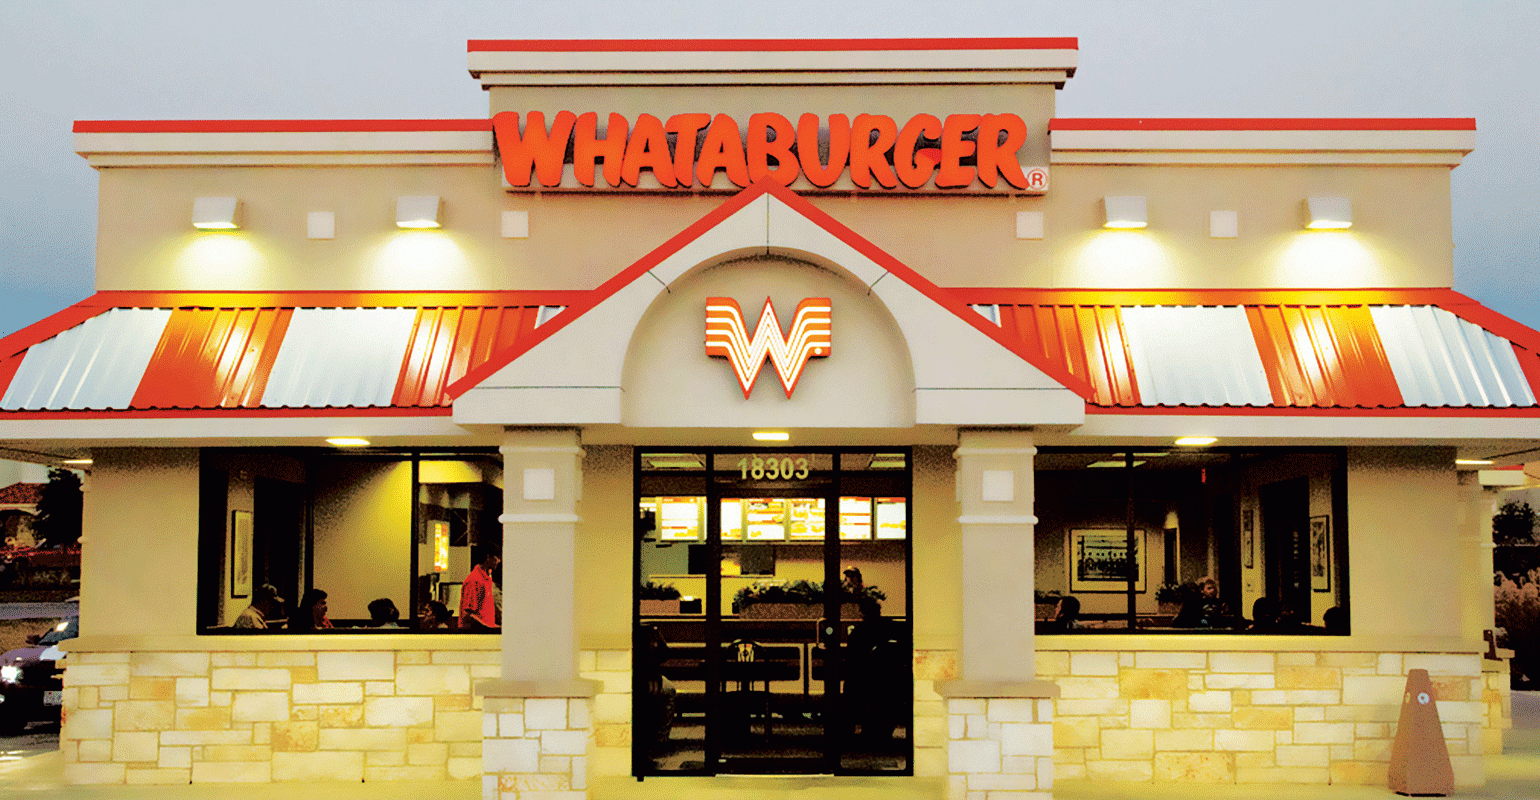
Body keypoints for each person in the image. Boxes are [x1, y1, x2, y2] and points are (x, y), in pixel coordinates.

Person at [459, 546, 501, 631]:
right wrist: (490, 628)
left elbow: (483, 615)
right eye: (497, 557)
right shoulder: (475, 580)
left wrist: (494, 627)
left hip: (484, 633)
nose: (499, 561)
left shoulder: (487, 578)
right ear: (488, 557)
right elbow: (466, 614)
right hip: (475, 635)